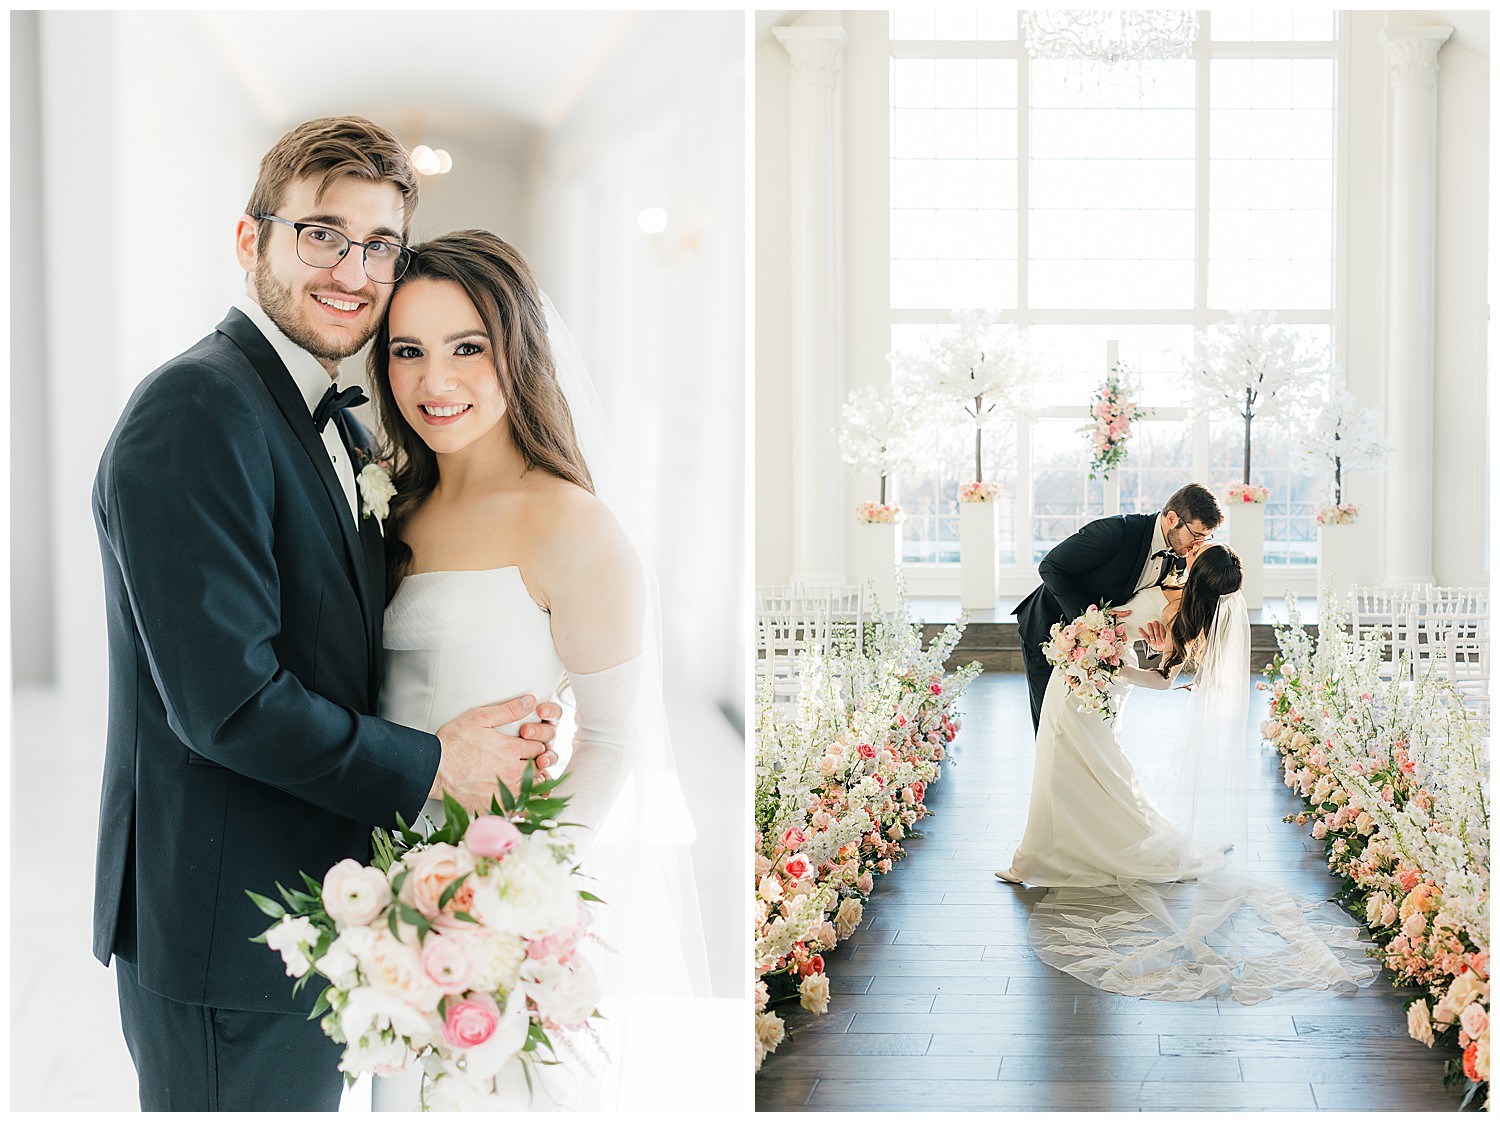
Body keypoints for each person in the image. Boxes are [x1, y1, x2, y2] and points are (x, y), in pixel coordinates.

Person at [91, 117, 563, 1112]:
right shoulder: (198, 408)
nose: (352, 268)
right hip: (230, 932)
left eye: (378, 244)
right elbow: (227, 704)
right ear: (249, 239)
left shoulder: (306, 407)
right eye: (321, 233)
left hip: (302, 914)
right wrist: (438, 762)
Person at [365, 229, 705, 1109]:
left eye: (467, 348)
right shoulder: (391, 508)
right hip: (376, 899)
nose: (435, 382)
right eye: (409, 351)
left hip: (495, 903)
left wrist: (505, 895)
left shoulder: (569, 524)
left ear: (517, 351)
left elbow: (615, 736)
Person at [997, 542, 1376, 1003]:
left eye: (1199, 553)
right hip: (1081, 676)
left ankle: (1040, 855)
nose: (1191, 551)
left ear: (1200, 570)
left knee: (1079, 762)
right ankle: (1047, 851)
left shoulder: (1184, 617)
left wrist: (1119, 664)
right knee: (1074, 763)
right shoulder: (1171, 584)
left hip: (1096, 683)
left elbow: (1164, 678)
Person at [1014, 483, 1224, 733]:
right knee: (1053, 727)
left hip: (1101, 652)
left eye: (1205, 538)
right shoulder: (1117, 532)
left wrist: (1156, 644)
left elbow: (1146, 604)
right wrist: (1092, 618)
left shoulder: (1180, 554)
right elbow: (1050, 567)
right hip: (1049, 632)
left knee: (1086, 730)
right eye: (1197, 536)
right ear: (1172, 519)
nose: (1198, 545)